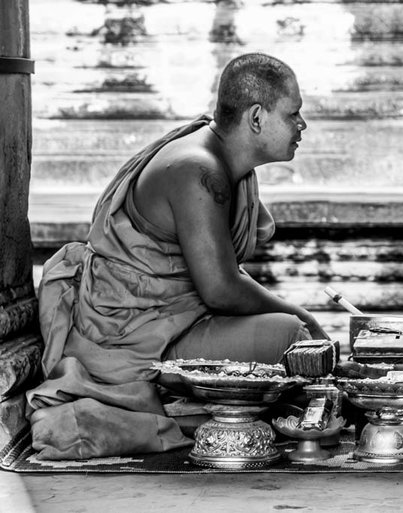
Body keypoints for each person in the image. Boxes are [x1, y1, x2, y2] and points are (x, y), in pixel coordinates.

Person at [26, 53, 328, 459]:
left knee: (291, 345)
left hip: (177, 318)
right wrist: (305, 317)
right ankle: (176, 406)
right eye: (294, 114)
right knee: (293, 339)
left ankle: (199, 404)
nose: (302, 125)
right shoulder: (197, 170)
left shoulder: (224, 161)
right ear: (256, 118)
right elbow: (221, 289)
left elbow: (224, 276)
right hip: (133, 338)